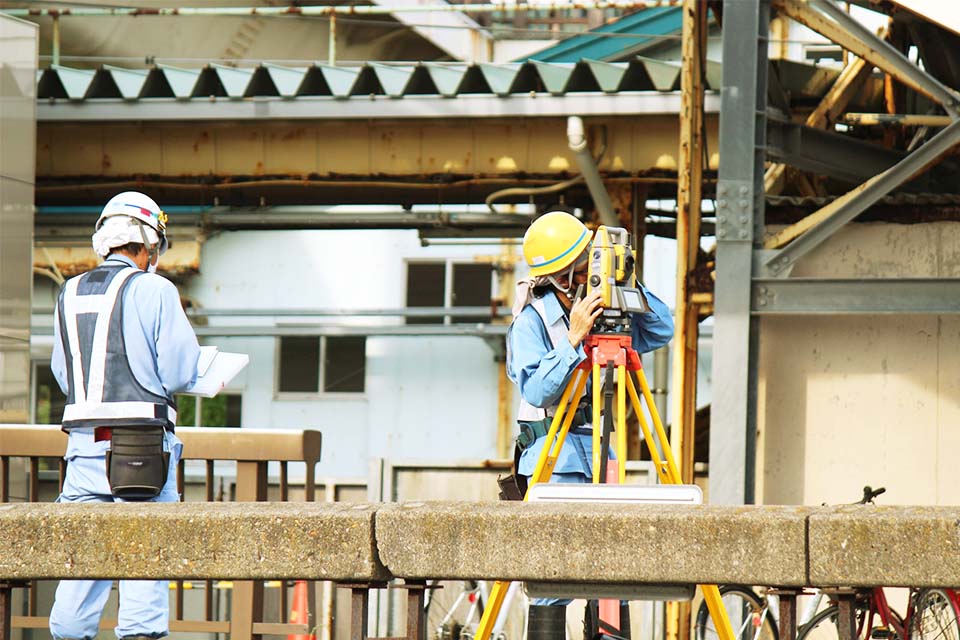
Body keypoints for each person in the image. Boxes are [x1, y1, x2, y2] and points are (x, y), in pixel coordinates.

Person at [505, 210, 674, 637]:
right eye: (586, 264)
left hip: (599, 451)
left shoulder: (603, 309)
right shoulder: (531, 323)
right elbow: (538, 391)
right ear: (561, 277)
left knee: (613, 569)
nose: (592, 270)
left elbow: (662, 329)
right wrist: (573, 339)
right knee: (552, 578)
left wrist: (625, 284)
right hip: (552, 457)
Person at [48, 191, 200, 640]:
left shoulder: (67, 292)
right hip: (142, 454)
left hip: (81, 453)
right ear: (149, 244)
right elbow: (177, 370)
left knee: (82, 566)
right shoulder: (155, 289)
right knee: (144, 568)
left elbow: (63, 372)